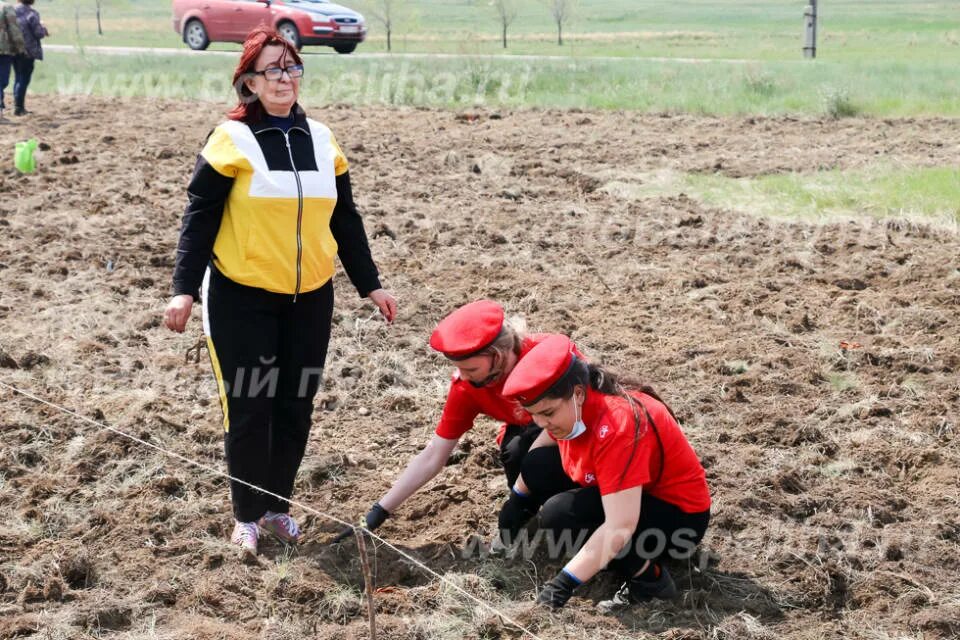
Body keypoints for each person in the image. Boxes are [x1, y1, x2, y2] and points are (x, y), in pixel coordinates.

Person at [163, 26, 397, 561]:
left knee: (295, 405)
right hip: (241, 298)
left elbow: (344, 216)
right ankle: (246, 517)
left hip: (310, 298)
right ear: (248, 81)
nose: (285, 78)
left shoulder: (322, 137)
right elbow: (199, 217)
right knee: (250, 406)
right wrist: (182, 290)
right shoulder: (230, 139)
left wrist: (370, 283)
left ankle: (276, 508)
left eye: (292, 67)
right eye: (273, 69)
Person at [500, 334, 711, 611]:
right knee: (538, 464)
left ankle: (650, 580)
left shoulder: (618, 424)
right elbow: (541, 450)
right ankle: (596, 551)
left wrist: (562, 585)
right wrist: (518, 498)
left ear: (577, 394)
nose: (542, 423)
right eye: (534, 415)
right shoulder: (579, 403)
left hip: (678, 518)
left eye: (548, 413)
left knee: (560, 516)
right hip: (632, 491)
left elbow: (620, 525)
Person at [343, 300, 578, 543]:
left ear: (496, 356)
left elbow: (577, 414)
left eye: (471, 369)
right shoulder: (468, 387)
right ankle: (533, 517)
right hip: (533, 432)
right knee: (515, 451)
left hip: (580, 433)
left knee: (537, 462)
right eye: (460, 369)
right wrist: (377, 512)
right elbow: (434, 454)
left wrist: (518, 494)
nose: (464, 376)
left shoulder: (550, 355)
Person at [12, 0, 45, 116]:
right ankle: (19, 107)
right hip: (28, 51)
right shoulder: (32, 14)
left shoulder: (11, 11)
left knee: (17, 77)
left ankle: (17, 105)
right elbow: (39, 33)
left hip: (14, 49)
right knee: (24, 78)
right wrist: (44, 28)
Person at [0, 0, 25, 119]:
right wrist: (20, 47)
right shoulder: (5, 7)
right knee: (1, 80)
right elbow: (14, 29)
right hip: (2, 49)